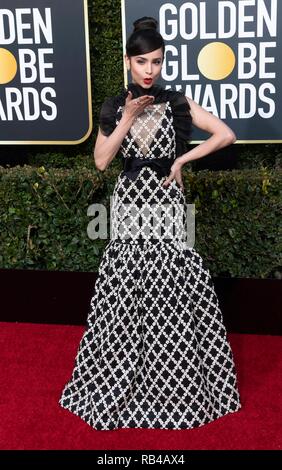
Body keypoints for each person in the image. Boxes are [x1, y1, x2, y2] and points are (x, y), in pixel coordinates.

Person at [58, 16, 242, 431]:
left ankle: (175, 381)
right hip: (128, 209)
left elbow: (225, 134)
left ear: (162, 62)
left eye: (156, 61)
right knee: (127, 291)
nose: (149, 70)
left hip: (167, 205)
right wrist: (127, 116)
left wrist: (181, 159)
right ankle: (121, 379)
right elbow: (103, 161)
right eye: (141, 61)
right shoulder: (113, 105)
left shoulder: (177, 102)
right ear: (128, 61)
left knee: (170, 291)